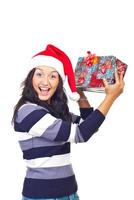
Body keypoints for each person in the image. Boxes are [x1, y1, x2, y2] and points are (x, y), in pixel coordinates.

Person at [12, 44, 125, 200]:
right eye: (39, 74)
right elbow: (81, 134)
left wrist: (79, 93)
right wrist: (110, 98)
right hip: (42, 196)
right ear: (31, 78)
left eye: (53, 76)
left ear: (59, 82)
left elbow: (88, 124)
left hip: (70, 194)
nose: (45, 82)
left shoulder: (55, 111)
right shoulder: (28, 112)